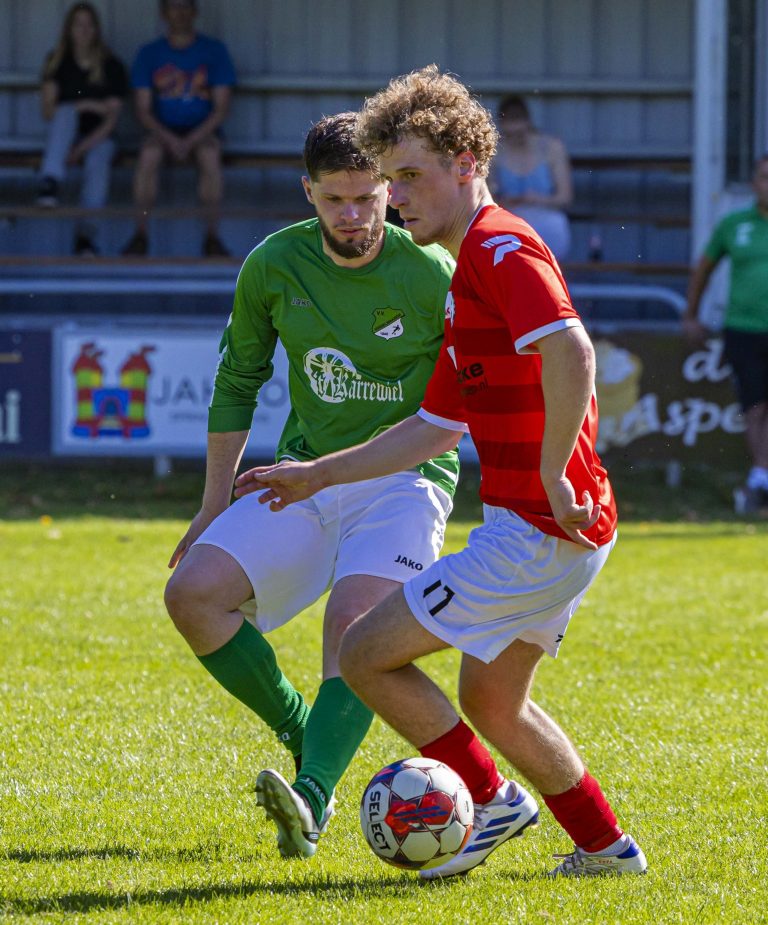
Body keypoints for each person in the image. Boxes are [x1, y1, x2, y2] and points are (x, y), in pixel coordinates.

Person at [235, 66, 648, 880]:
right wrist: (317, 474)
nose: (398, 197)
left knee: (362, 652)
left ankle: (491, 800)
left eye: (411, 176)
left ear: (467, 160)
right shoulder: (466, 276)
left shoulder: (499, 246)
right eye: (391, 179)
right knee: (495, 702)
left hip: (538, 529)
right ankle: (606, 846)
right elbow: (432, 426)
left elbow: (571, 350)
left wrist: (558, 468)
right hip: (555, 528)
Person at [163, 112, 458, 860]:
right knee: (191, 593)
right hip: (302, 475)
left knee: (354, 634)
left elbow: (466, 403)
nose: (354, 216)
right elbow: (237, 381)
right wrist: (209, 505)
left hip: (404, 482)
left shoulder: (432, 271)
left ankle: (314, 798)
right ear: (309, 193)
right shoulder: (273, 263)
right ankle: (307, 733)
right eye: (335, 200)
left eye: (367, 197)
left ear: (388, 189)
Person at [684, 154, 768, 512]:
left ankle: (760, 478)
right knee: (756, 405)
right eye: (764, 177)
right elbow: (703, 269)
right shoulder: (735, 224)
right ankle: (761, 477)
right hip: (744, 327)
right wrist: (691, 314)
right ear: (754, 183)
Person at [121, 0, 235, 257]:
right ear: (163, 13)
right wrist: (171, 140)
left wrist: (191, 139)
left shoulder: (213, 51)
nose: (180, 13)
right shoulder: (149, 53)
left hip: (203, 130)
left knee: (209, 154)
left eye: (185, 6)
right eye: (174, 7)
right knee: (149, 154)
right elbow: (142, 110)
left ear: (194, 12)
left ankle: (212, 238)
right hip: (162, 130)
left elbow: (221, 109)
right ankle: (140, 235)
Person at [36, 2, 128, 256]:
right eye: (78, 24)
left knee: (99, 158)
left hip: (99, 138)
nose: (84, 30)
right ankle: (50, 182)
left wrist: (80, 148)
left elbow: (111, 120)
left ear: (97, 29)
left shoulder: (112, 66)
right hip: (64, 136)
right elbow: (48, 111)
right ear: (69, 29)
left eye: (89, 24)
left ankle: (85, 237)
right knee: (66, 112)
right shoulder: (56, 62)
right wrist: (87, 105)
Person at [488, 94, 573, 261]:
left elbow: (565, 197)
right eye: (509, 135)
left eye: (520, 134)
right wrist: (505, 202)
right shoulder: (494, 152)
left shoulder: (551, 148)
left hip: (546, 216)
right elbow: (489, 197)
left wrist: (538, 199)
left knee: (554, 227)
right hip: (510, 219)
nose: (515, 139)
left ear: (528, 124)